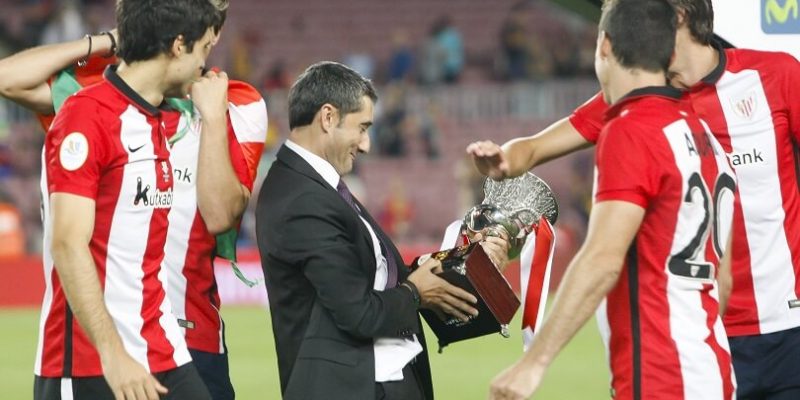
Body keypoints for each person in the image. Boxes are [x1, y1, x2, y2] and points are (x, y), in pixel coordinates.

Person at [471, 0, 800, 398]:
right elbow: (534, 148)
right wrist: (505, 159)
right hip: (709, 336)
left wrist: (535, 362)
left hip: (778, 329)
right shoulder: (650, 110)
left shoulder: (774, 76)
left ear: (674, 15)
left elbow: (603, 257)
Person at [0, 2, 268, 399]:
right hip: (93, 360)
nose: (206, 66)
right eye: (203, 49)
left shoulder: (158, 119)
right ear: (179, 45)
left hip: (163, 343)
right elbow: (67, 243)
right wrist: (114, 354)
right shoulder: (85, 113)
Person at [255, 61, 508, 400]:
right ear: (328, 118)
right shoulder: (300, 197)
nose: (366, 144)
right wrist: (417, 293)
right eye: (361, 128)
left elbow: (379, 277)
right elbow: (359, 313)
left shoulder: (316, 186)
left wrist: (457, 263)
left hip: (375, 379)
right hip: (352, 387)